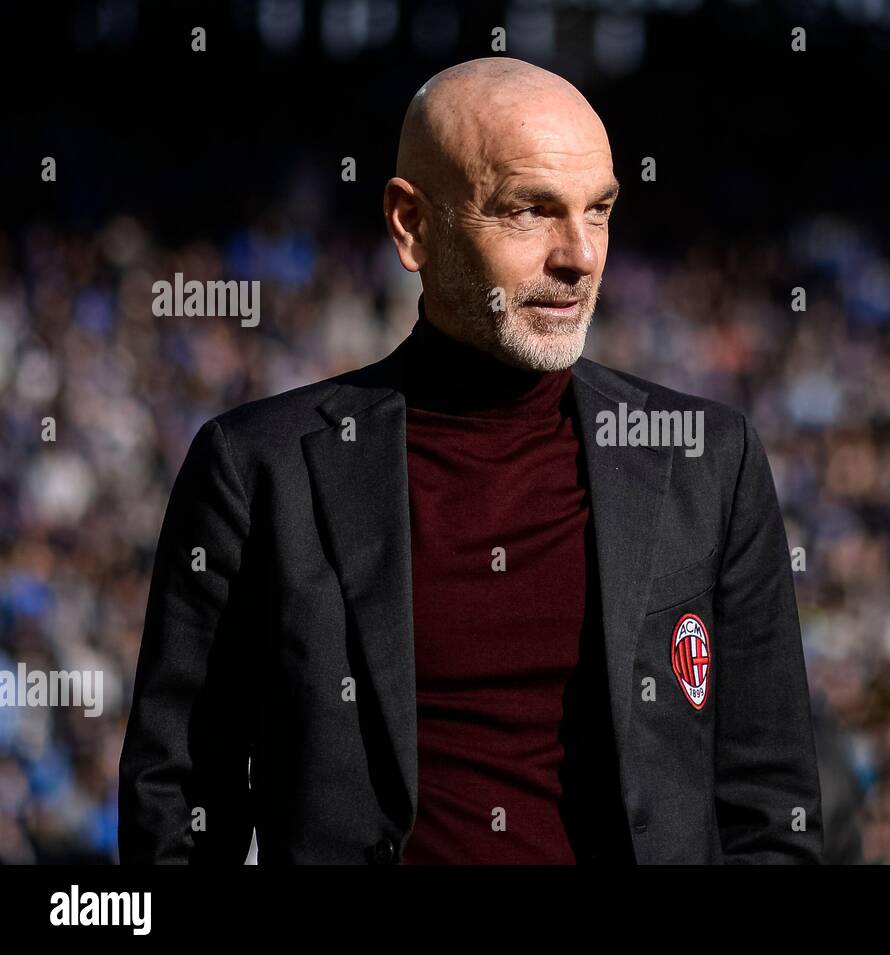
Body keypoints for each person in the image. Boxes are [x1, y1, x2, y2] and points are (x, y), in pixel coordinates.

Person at [118, 57, 822, 864]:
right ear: (413, 226)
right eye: (531, 211)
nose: (581, 255)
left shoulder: (707, 459)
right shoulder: (257, 469)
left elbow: (772, 805)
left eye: (600, 210)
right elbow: (176, 800)